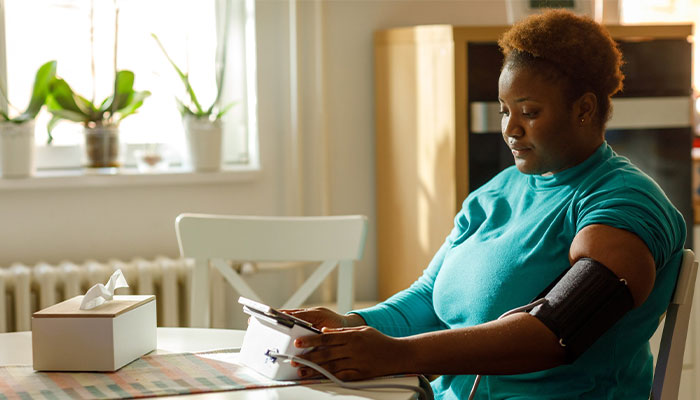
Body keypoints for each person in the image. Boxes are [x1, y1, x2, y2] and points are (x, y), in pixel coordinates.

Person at [285, 9, 687, 399]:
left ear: (584, 108)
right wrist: (347, 325)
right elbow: (428, 298)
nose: (511, 130)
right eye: (504, 111)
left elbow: (560, 330)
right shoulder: (497, 192)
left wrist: (396, 354)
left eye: (529, 112)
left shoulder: (624, 201)